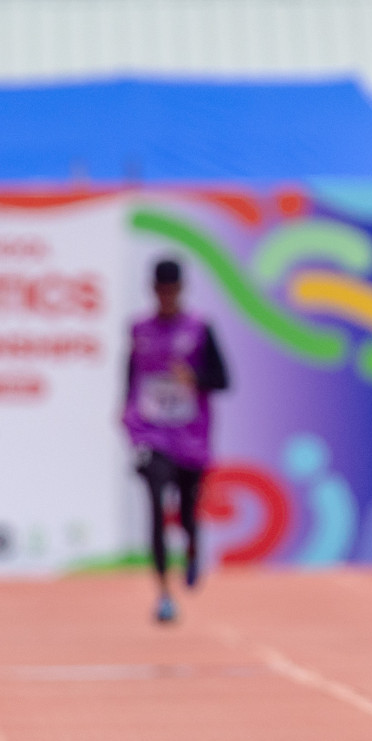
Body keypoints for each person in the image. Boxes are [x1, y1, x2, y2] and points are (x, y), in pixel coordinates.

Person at [122, 259, 229, 624]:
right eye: (160, 290)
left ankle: (193, 548)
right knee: (155, 506)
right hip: (153, 436)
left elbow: (224, 379)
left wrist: (195, 378)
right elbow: (130, 378)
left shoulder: (199, 328)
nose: (166, 297)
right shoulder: (139, 330)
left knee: (186, 514)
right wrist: (127, 419)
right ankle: (164, 595)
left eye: (172, 290)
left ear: (181, 290)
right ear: (153, 290)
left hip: (190, 439)